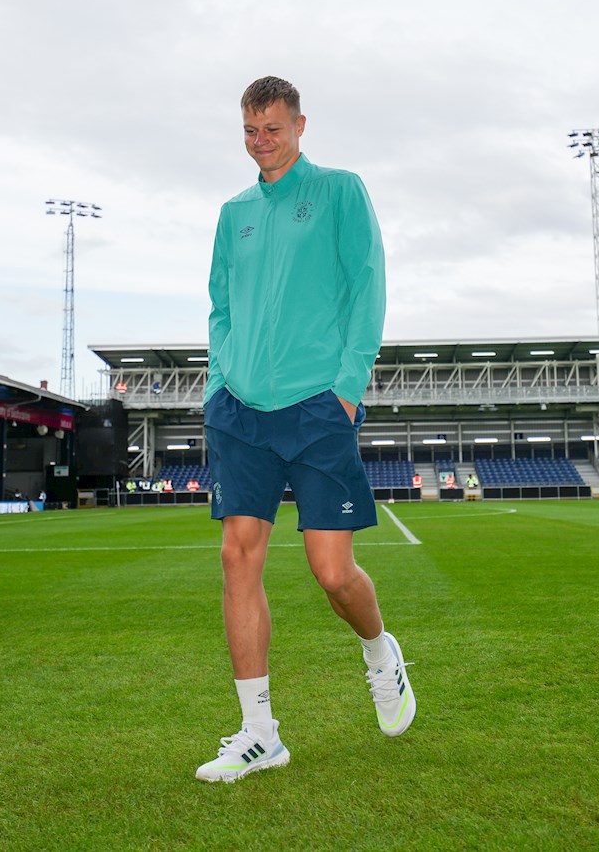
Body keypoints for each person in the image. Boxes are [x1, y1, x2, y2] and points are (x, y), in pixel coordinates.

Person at [196, 76, 412, 784]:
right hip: (240, 409)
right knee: (237, 556)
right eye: (251, 131)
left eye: (273, 129)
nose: (262, 142)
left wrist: (347, 388)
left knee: (330, 573)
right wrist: (218, 379)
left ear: (299, 125)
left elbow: (367, 285)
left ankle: (380, 652)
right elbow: (219, 306)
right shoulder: (234, 212)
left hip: (318, 404)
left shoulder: (341, 190)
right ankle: (259, 733)